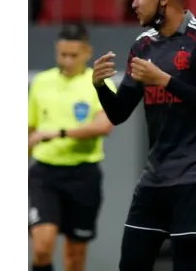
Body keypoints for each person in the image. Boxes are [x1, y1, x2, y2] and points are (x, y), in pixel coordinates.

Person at [91, 0, 196, 271]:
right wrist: (100, 86)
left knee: (186, 265)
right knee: (130, 263)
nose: (134, 3)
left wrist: (166, 80)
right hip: (155, 175)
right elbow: (118, 113)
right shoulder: (143, 45)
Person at [28, 24, 115, 271]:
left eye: (73, 55)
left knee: (74, 257)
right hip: (45, 174)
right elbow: (30, 130)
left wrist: (59, 133)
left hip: (83, 175)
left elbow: (104, 126)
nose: (67, 60)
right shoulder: (41, 82)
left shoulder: (98, 84)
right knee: (42, 247)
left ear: (87, 52)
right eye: (62, 54)